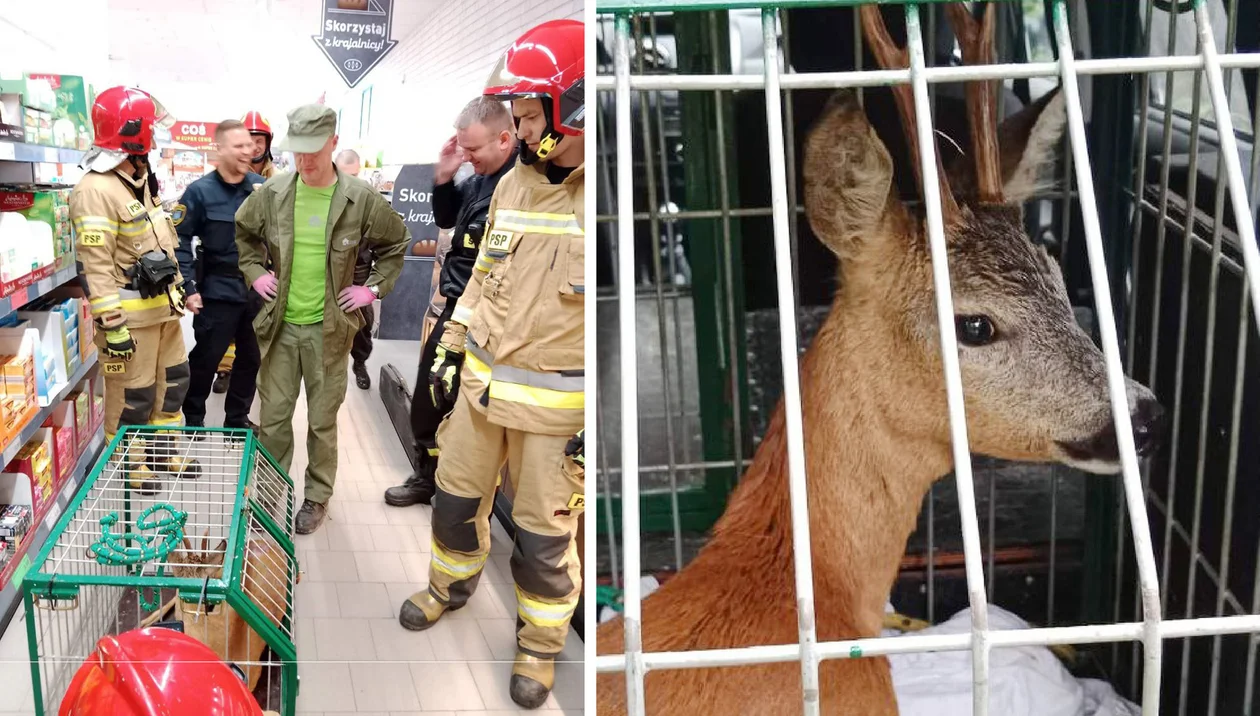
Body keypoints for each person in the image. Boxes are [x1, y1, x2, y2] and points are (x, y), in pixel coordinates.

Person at [397, 19, 586, 710]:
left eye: (534, 116)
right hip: (479, 393)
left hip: (556, 421)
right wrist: (449, 347)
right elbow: (481, 278)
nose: (525, 128)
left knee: (541, 542)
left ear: (579, 107)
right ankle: (449, 586)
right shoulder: (515, 186)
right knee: (453, 505)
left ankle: (539, 647)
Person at [235, 104, 410, 535]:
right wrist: (256, 273)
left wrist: (371, 289)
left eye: (313, 150)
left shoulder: (360, 199)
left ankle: (317, 496)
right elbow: (244, 234)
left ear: (333, 141)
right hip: (280, 330)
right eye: (297, 150)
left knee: (321, 421)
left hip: (330, 333)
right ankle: (270, 496)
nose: (305, 160)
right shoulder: (273, 195)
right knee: (273, 419)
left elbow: (396, 243)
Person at [383, 96, 517, 508]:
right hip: (458, 306)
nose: (469, 157)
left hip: (499, 318)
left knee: (474, 408)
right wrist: (443, 178)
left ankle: (470, 494)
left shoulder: (521, 189)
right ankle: (428, 477)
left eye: (474, 149)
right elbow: (445, 219)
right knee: (430, 392)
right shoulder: (477, 182)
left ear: (505, 139)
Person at [70, 86, 201, 494]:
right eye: (152, 133)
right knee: (132, 395)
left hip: (163, 313)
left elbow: (159, 242)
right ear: (134, 136)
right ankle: (131, 464)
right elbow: (96, 267)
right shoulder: (96, 189)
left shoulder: (140, 180)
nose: (157, 142)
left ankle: (165, 451)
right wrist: (112, 326)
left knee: (173, 384)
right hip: (129, 322)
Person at [173, 120, 265, 436]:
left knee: (251, 358)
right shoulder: (199, 193)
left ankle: (237, 418)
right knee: (206, 358)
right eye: (238, 146)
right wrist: (188, 287)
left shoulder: (261, 189)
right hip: (215, 291)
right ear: (220, 148)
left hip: (256, 291)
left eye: (249, 146)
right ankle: (194, 417)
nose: (247, 151)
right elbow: (180, 241)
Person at [213, 110, 279, 396]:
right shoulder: (228, 179)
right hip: (228, 270)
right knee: (225, 336)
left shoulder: (276, 181)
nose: (253, 145)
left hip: (262, 273)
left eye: (259, 139)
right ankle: (224, 370)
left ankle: (253, 381)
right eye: (248, 139)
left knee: (256, 336)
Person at [334, 148, 376, 390]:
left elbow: (386, 244)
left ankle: (359, 363)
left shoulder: (369, 201)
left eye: (354, 174)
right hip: (329, 279)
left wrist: (372, 287)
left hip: (359, 280)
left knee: (363, 327)